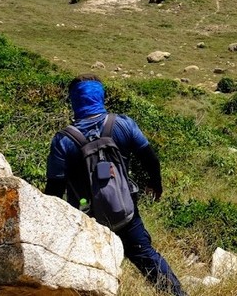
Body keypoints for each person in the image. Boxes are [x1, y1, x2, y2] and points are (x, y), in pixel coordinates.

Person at [45, 74, 186, 296]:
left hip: (87, 220)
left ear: (73, 100)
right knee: (146, 256)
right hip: (125, 211)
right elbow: (150, 159)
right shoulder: (122, 124)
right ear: (101, 97)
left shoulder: (63, 140)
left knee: (89, 274)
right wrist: (155, 184)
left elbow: (53, 190)